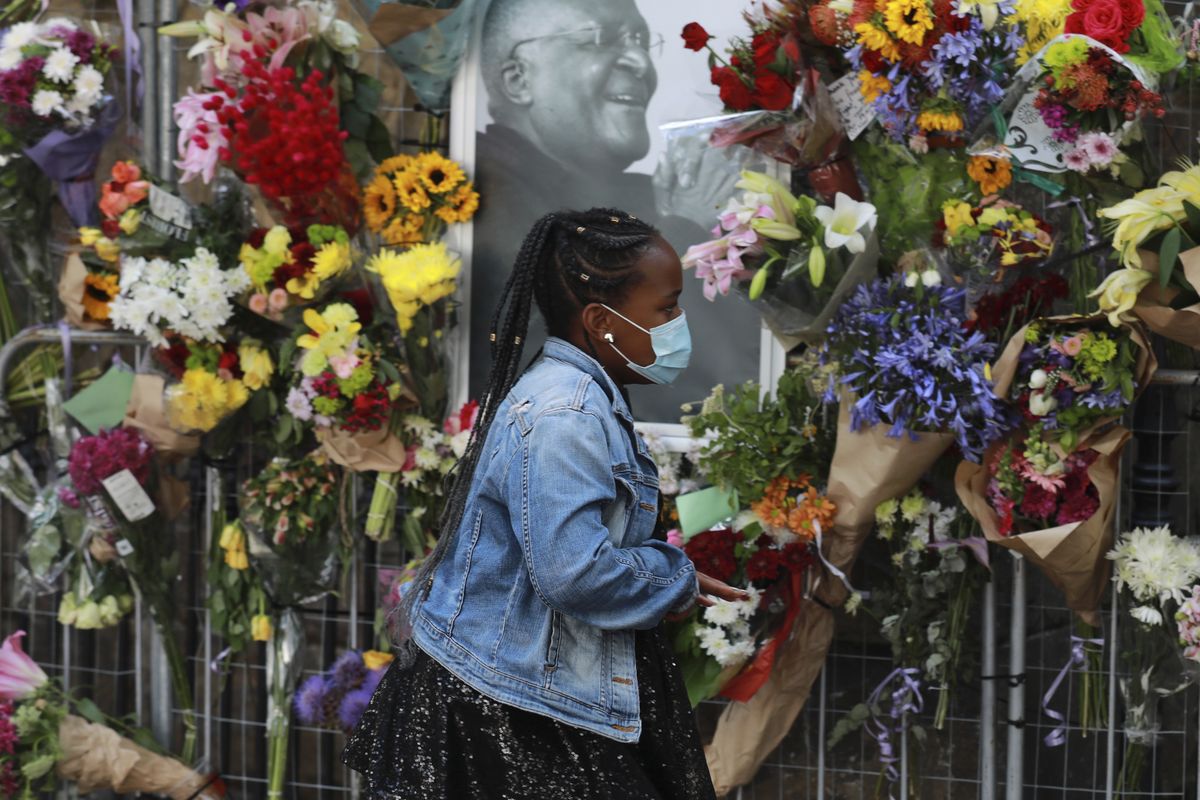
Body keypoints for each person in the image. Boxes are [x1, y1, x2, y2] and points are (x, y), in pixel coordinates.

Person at [344, 209, 742, 799]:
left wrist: (662, 580)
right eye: (666, 308)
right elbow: (575, 573)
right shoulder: (566, 413)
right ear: (602, 322)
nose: (678, 323)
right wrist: (668, 575)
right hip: (504, 706)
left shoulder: (578, 395)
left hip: (515, 690)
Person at [469, 0, 761, 420]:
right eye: (600, 39)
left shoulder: (631, 196)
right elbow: (572, 371)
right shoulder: (480, 196)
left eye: (642, 40)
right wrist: (685, 228)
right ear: (519, 80)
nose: (640, 61)